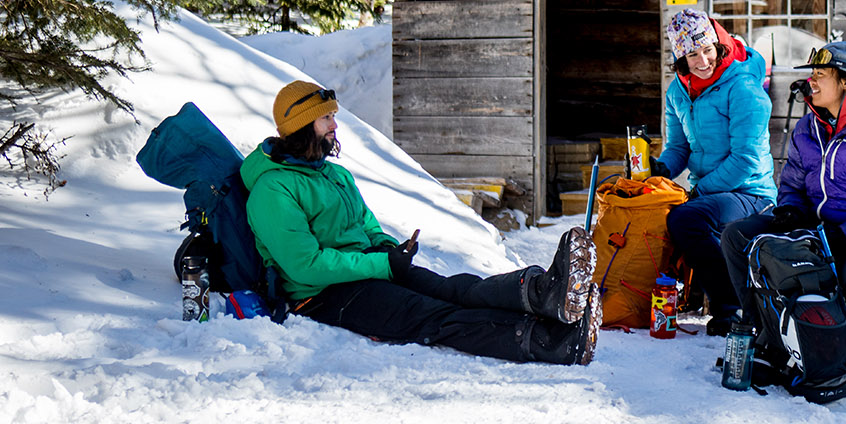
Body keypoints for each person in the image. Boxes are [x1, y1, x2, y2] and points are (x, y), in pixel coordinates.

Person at [242, 80, 599, 365]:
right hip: (321, 294)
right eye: (326, 119)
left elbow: (365, 223)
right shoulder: (273, 190)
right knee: (434, 314)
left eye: (333, 116)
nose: (335, 125)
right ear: (302, 126)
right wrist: (381, 264)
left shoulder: (333, 173)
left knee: (455, 289)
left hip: (366, 268)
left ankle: (546, 295)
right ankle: (552, 342)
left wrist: (387, 249)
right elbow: (305, 266)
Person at [720, 41, 846, 399]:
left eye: (820, 74)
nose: (811, 81)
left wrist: (844, 234)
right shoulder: (809, 127)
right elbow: (793, 183)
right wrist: (791, 209)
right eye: (812, 74)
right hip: (817, 229)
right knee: (739, 238)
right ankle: (767, 336)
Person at [651, 9, 776, 336]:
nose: (703, 61)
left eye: (707, 49)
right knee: (663, 212)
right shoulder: (678, 92)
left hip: (751, 192)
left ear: (717, 45)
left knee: (686, 218)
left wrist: (699, 191)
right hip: (710, 191)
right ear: (680, 58)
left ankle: (731, 308)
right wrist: (660, 169)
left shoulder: (742, 87)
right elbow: (678, 148)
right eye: (692, 54)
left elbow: (746, 159)